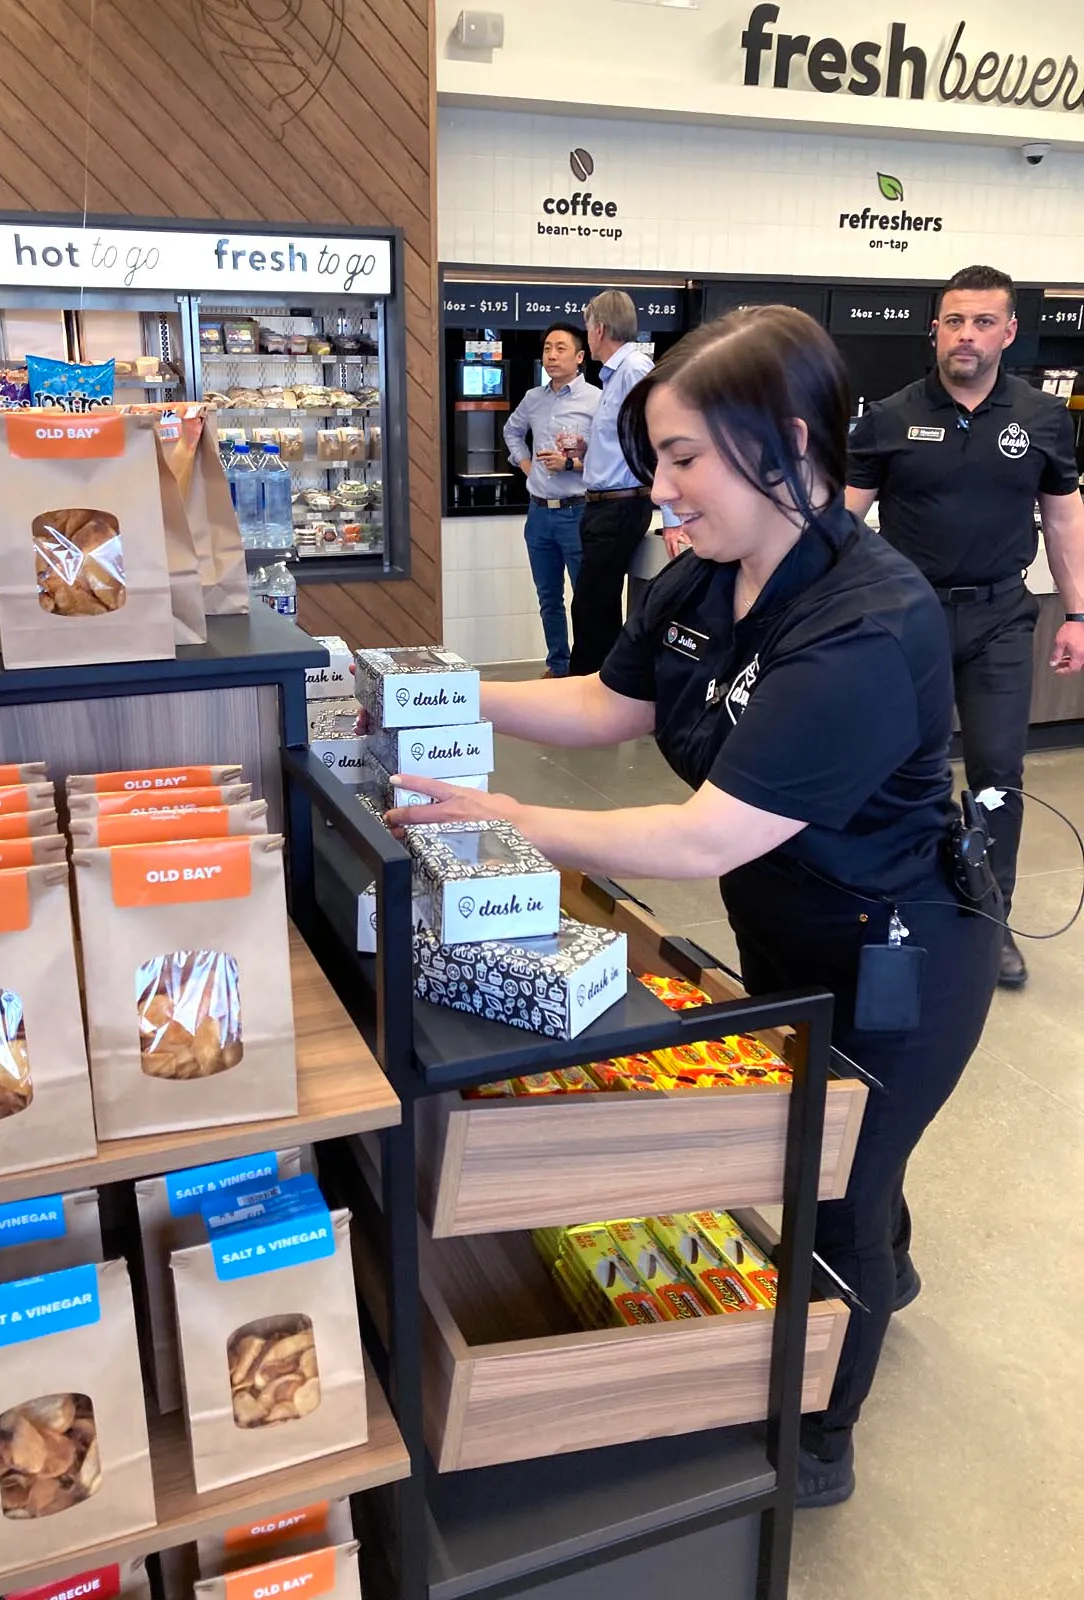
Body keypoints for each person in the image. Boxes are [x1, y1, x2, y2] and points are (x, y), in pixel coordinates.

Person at [387, 306, 1001, 1508]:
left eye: (682, 458)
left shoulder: (868, 621)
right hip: (783, 924)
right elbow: (608, 705)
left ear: (781, 443)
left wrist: (494, 815)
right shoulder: (705, 573)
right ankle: (893, 1245)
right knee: (836, 1150)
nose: (660, 486)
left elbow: (701, 832)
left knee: (835, 1195)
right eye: (656, 456)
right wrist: (448, 689)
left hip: (901, 954)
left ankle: (821, 1436)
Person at [846, 264, 1084, 990]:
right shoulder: (886, 417)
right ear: (935, 329)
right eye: (954, 320)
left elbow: (1064, 517)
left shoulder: (1042, 420)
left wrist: (1078, 613)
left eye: (983, 322)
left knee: (996, 775)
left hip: (999, 621)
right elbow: (841, 522)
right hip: (904, 619)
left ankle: (990, 923)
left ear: (1009, 333)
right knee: (889, 768)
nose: (967, 335)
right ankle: (892, 911)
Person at [503, 324, 600, 677]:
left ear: (579, 357)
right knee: (549, 599)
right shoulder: (533, 398)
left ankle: (587, 670)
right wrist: (527, 466)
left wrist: (571, 463)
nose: (552, 355)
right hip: (539, 513)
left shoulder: (597, 400)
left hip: (578, 511)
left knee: (585, 598)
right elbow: (511, 431)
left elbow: (609, 458)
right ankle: (557, 665)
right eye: (547, 348)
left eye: (561, 348)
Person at [567, 290, 655, 676]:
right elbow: (621, 440)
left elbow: (654, 438)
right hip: (605, 504)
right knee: (593, 604)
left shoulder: (633, 370)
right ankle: (597, 686)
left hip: (620, 506)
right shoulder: (615, 375)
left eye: (588, 327)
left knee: (592, 604)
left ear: (599, 329)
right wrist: (591, 449)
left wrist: (673, 517)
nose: (588, 335)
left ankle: (590, 689)